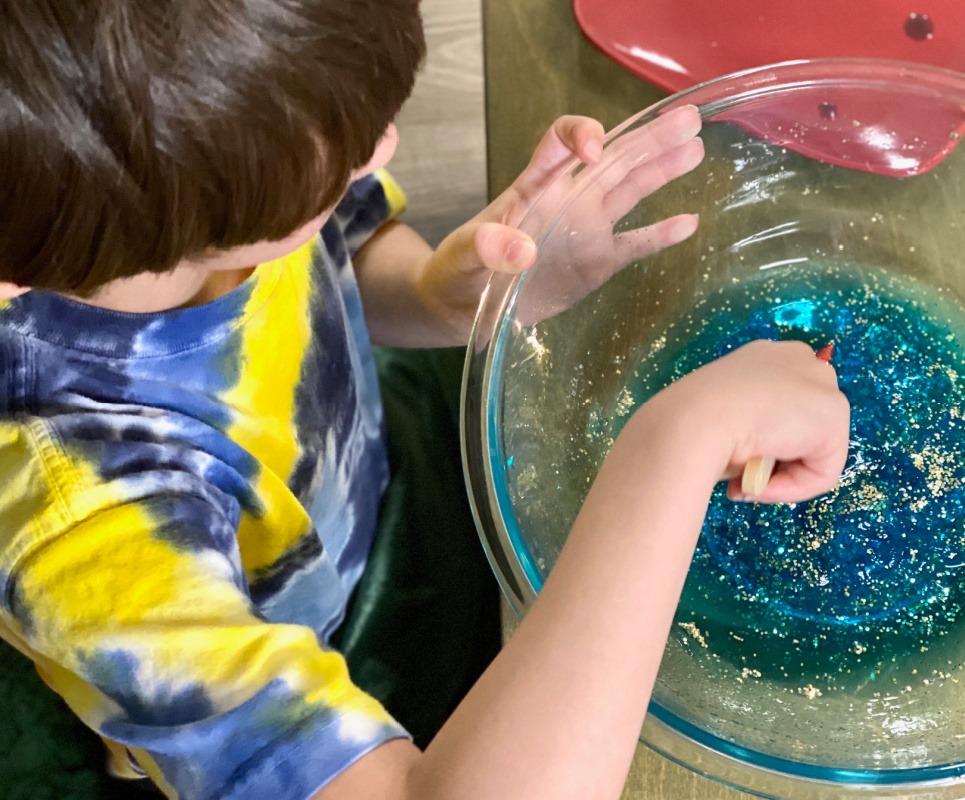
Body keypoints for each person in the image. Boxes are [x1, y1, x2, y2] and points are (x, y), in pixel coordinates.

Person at [0, 2, 850, 799]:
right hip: (295, 661)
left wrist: (446, 295)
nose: (382, 150)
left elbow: (341, 249)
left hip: (363, 486)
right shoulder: (86, 526)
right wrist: (678, 439)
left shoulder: (179, 178)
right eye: (329, 171)